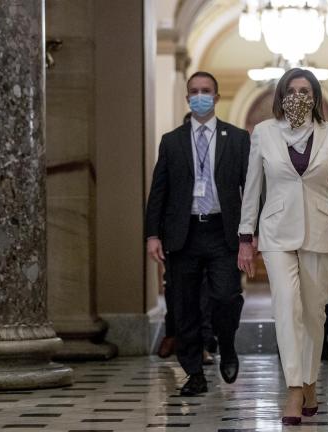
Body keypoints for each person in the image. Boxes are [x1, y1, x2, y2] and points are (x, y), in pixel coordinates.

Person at [237, 68, 328, 425]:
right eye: (292, 90)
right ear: (281, 95)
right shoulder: (264, 133)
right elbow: (252, 187)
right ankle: (295, 388)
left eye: (306, 91)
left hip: (320, 230)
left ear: (316, 97)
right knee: (286, 306)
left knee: (314, 312)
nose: (299, 96)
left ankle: (310, 381)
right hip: (276, 231)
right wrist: (245, 237)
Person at [146, 71, 250, 396]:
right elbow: (158, 192)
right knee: (185, 306)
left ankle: (227, 345)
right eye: (194, 91)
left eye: (206, 91)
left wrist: (252, 233)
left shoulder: (236, 138)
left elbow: (251, 187)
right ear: (187, 97)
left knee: (225, 296)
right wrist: (152, 235)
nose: (200, 96)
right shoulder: (172, 141)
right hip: (184, 233)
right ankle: (193, 372)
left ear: (217, 98)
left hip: (223, 231)